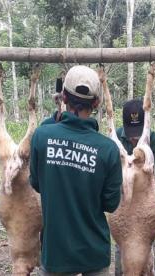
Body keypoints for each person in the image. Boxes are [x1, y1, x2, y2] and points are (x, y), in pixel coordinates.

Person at [30, 65, 122, 276]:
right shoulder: (108, 149)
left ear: (63, 97)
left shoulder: (42, 137)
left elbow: (36, 183)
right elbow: (111, 203)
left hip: (56, 253)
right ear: (97, 103)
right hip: (94, 253)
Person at [114, 99, 155, 275]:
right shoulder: (116, 140)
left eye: (138, 133)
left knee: (147, 261)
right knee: (122, 256)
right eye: (131, 133)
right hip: (122, 208)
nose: (134, 138)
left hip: (143, 208)